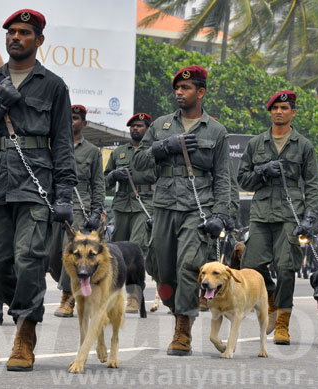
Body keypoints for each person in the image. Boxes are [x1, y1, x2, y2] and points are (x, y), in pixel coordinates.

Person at [0, 9, 77, 371]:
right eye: (11, 32)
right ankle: (22, 308)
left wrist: (65, 193)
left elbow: (62, 142)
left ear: (39, 40)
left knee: (29, 259)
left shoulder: (53, 85)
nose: (16, 37)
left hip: (36, 184)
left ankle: (25, 331)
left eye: (25, 33)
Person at [133, 65, 231, 356]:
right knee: (161, 270)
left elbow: (223, 177)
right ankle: (176, 309)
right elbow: (138, 163)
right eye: (177, 88)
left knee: (188, 266)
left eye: (186, 88)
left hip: (196, 210)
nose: (179, 92)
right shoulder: (161, 125)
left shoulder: (216, 131)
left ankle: (182, 331)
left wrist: (221, 215)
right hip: (163, 206)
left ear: (200, 92)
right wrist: (164, 147)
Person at [238, 90, 318, 345]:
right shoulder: (256, 144)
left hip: (290, 214)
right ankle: (271, 297)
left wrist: (310, 216)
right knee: (250, 266)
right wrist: (262, 171)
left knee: (286, 268)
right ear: (270, 112)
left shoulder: (303, 145)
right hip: (262, 214)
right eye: (275, 108)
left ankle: (283, 323)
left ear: (292, 112)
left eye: (284, 108)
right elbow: (242, 179)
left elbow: (313, 184)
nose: (279, 112)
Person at [50, 104, 105, 318]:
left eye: (74, 118)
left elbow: (98, 183)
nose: (70, 122)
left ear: (83, 123)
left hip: (79, 211)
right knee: (53, 257)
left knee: (71, 254)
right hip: (55, 207)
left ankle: (68, 299)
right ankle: (76, 289)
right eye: (67, 118)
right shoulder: (54, 146)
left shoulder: (92, 151)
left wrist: (97, 211)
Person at [104, 112, 157, 313]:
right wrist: (114, 175)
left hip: (144, 203)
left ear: (148, 129)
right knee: (116, 251)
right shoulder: (119, 152)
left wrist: (138, 175)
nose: (135, 128)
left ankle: (134, 297)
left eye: (140, 125)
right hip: (121, 205)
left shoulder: (154, 151)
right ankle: (113, 295)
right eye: (133, 126)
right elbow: (105, 177)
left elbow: (160, 175)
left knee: (136, 248)